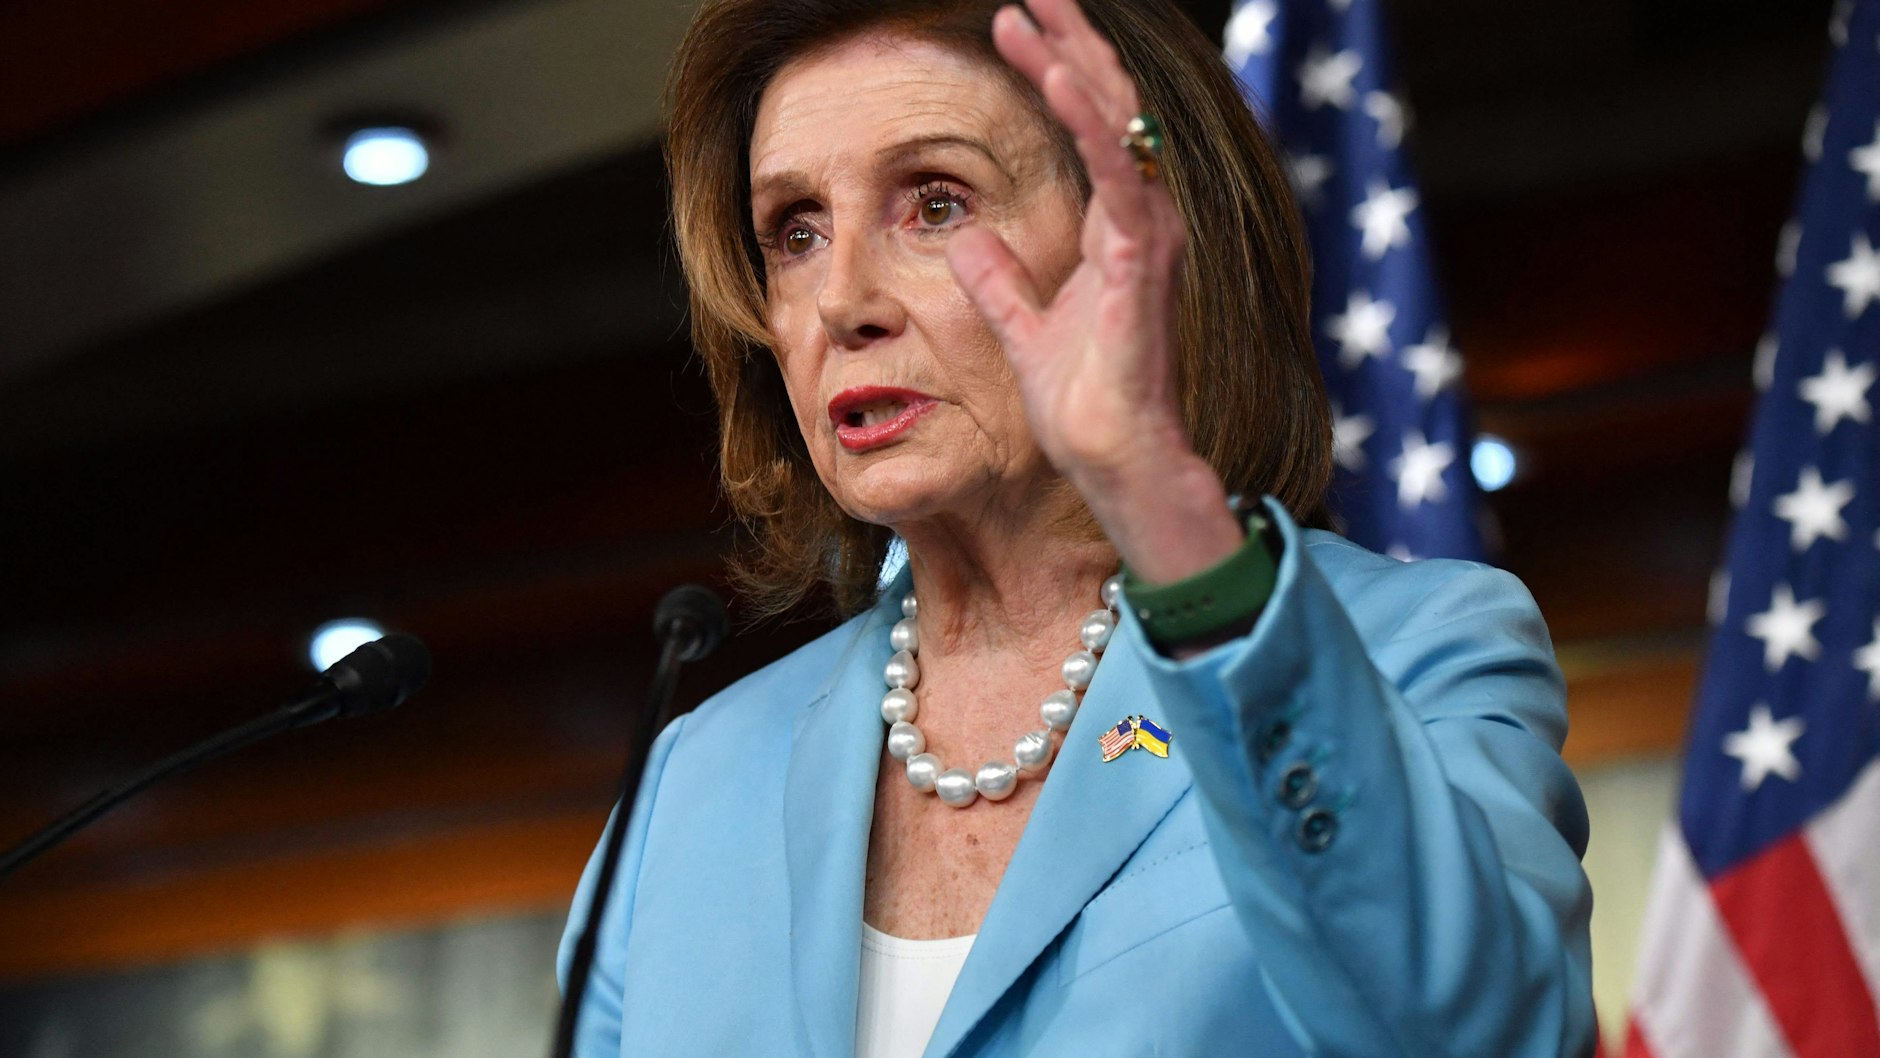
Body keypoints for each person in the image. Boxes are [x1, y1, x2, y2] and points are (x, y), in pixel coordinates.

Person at [560, 0, 1596, 1053]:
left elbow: (1480, 1033)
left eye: (934, 203)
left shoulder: (1410, 648)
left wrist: (1150, 485)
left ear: (1138, 245)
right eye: (794, 230)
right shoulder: (688, 784)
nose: (839, 301)